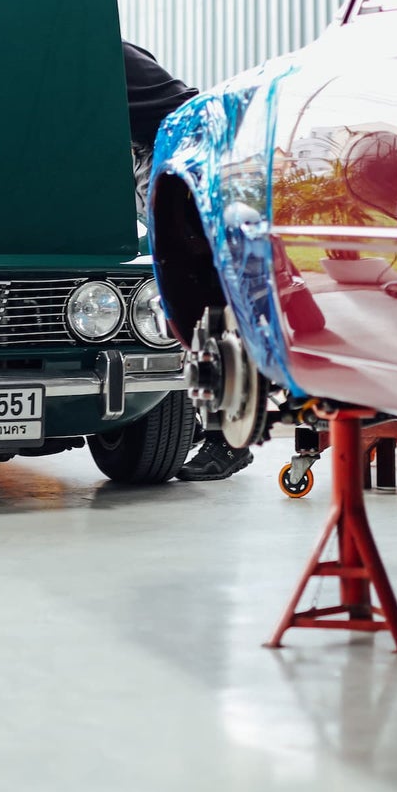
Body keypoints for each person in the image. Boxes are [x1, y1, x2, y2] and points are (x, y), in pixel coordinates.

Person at [123, 41, 255, 483]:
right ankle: (216, 424)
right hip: (176, 164)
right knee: (192, 305)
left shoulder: (96, 53)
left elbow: (185, 107)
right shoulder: (94, 50)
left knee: (206, 304)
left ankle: (229, 440)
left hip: (191, 168)